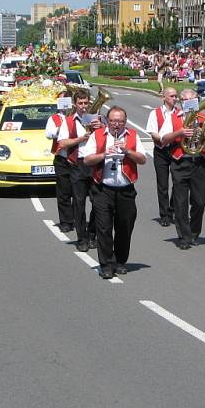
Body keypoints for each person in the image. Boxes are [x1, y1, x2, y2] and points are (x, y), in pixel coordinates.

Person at [80, 106, 147, 279]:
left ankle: (120, 261)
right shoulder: (97, 135)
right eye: (113, 121)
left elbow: (143, 159)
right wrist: (105, 154)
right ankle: (106, 264)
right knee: (104, 227)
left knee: (125, 226)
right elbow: (87, 159)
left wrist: (127, 151)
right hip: (103, 189)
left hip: (125, 189)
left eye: (120, 121)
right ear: (107, 121)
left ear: (125, 122)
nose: (116, 125)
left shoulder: (132, 135)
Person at [159, 88, 205, 250]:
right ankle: (184, 236)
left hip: (199, 162)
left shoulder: (203, 117)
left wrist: (204, 132)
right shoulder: (173, 117)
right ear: (182, 102)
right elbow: (163, 139)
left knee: (199, 202)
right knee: (180, 202)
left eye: (193, 101)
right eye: (187, 101)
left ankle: (194, 232)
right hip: (180, 161)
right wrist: (179, 132)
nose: (191, 104)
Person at [57, 89, 103, 252]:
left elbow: (109, 137)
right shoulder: (68, 121)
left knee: (98, 203)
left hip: (95, 164)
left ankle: (92, 235)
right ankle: (81, 238)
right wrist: (80, 139)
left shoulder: (97, 119)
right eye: (80, 103)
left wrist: (101, 127)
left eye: (86, 103)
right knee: (79, 203)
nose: (84, 106)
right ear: (75, 105)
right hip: (77, 165)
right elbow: (61, 143)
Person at [145, 87, 178, 227]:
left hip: (176, 150)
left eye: (176, 96)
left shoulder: (180, 113)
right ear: (164, 98)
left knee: (178, 182)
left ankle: (173, 209)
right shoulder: (155, 113)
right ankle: (164, 214)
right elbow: (153, 133)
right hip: (161, 151)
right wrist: (163, 139)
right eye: (171, 96)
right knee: (163, 184)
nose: (174, 98)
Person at [45, 92, 74, 233]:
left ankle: (77, 219)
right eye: (62, 100)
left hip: (77, 159)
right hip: (62, 158)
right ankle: (66, 221)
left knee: (79, 193)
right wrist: (63, 126)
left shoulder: (77, 117)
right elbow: (49, 134)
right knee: (63, 192)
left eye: (67, 100)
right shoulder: (54, 118)